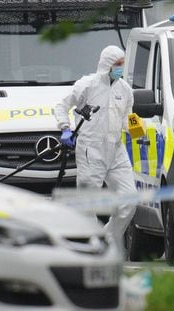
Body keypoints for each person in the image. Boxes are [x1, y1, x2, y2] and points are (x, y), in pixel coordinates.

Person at [55, 45, 137, 240]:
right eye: (117, 64)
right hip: (91, 150)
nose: (121, 68)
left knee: (129, 199)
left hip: (116, 150)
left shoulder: (125, 89)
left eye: (122, 64)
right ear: (107, 65)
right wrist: (65, 128)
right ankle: (90, 246)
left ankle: (106, 239)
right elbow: (61, 106)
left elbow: (127, 117)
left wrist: (136, 128)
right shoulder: (87, 85)